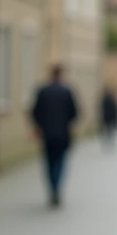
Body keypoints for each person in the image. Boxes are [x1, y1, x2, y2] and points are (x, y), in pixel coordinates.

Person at [31, 64, 78, 208]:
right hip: (63, 134)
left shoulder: (43, 91)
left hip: (47, 134)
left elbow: (35, 112)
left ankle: (52, 187)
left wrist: (38, 126)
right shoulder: (67, 92)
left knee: (49, 162)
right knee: (60, 162)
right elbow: (74, 113)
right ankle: (57, 187)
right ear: (61, 75)